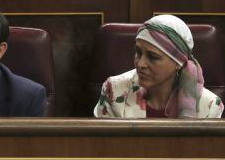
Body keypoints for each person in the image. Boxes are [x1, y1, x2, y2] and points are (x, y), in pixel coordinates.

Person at [94, 15, 223, 118]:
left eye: (153, 57)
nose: (140, 64)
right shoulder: (114, 91)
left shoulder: (209, 106)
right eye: (138, 52)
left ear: (178, 63)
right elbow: (104, 147)